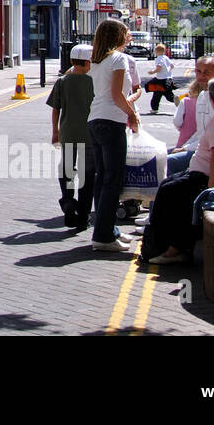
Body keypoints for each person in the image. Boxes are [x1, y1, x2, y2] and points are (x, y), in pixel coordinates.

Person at [140, 76, 214, 264]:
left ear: (212, 100)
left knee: (169, 191)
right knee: (169, 184)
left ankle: (167, 248)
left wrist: (210, 191)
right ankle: (173, 246)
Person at [86, 19, 141, 253]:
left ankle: (107, 229)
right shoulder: (118, 59)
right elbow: (117, 95)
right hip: (111, 122)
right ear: (116, 35)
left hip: (95, 120)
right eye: (125, 32)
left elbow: (111, 94)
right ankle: (104, 235)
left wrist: (128, 105)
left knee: (102, 178)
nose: (129, 35)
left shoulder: (97, 61)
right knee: (112, 180)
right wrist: (132, 114)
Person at [48, 44, 95, 229]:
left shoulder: (63, 81)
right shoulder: (94, 81)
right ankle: (83, 218)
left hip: (67, 132)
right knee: (87, 176)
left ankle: (68, 201)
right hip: (89, 135)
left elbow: (55, 109)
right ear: (88, 62)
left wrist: (55, 132)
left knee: (67, 170)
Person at [166, 56, 214, 178]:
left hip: (208, 154)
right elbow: (200, 133)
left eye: (206, 73)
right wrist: (184, 147)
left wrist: (185, 148)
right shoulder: (202, 96)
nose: (201, 76)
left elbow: (211, 137)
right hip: (198, 148)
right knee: (159, 155)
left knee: (165, 164)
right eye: (198, 72)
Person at [146, 43, 175, 114]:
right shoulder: (166, 57)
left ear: (156, 51)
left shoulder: (158, 59)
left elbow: (159, 68)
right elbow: (172, 66)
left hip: (161, 80)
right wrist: (167, 71)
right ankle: (180, 101)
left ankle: (154, 108)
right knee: (164, 95)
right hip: (168, 78)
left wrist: (152, 72)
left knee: (158, 95)